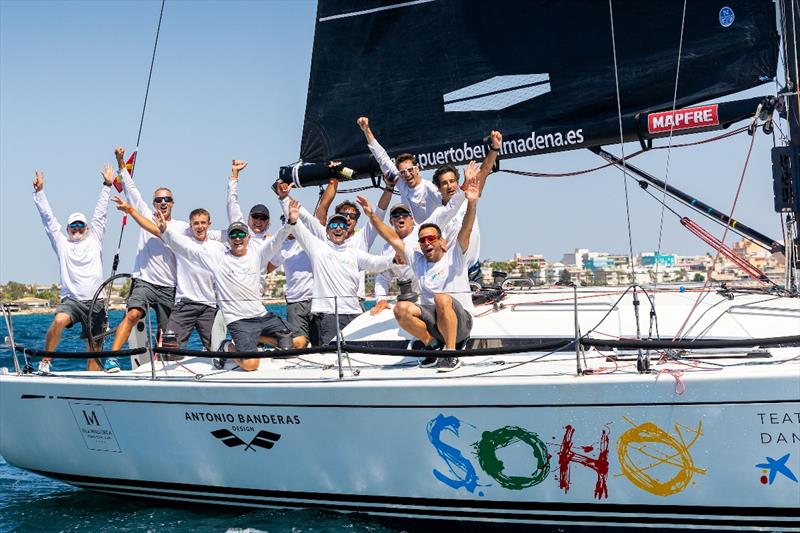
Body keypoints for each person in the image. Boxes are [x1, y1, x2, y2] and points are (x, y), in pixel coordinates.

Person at [357, 170, 482, 372]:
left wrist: (472, 202)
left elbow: (466, 228)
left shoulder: (455, 255)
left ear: (442, 242)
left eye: (431, 238)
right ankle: (432, 346)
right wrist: (372, 216)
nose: (426, 243)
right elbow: (392, 238)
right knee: (401, 308)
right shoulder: (417, 259)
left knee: (442, 298)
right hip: (435, 323)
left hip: (460, 323)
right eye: (422, 240)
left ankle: (451, 354)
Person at [160, 217, 306, 371]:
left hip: (262, 316)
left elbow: (276, 240)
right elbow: (186, 249)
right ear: (228, 240)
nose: (238, 238)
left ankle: (258, 337)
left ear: (248, 238)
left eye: (241, 235)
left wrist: (290, 223)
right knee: (251, 365)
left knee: (300, 341)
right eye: (233, 236)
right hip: (239, 320)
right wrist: (165, 231)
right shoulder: (218, 259)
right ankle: (226, 346)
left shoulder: (257, 255)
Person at [32, 166, 114, 373]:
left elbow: (100, 214)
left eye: (81, 226)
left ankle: (92, 387)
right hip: (72, 301)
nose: (77, 229)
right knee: (59, 319)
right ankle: (46, 361)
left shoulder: (95, 239)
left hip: (96, 302)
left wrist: (107, 186)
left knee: (94, 350)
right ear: (68, 229)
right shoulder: (62, 243)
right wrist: (39, 192)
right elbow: (48, 220)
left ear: (86, 228)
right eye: (73, 226)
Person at [110, 147, 188, 361]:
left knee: (168, 334)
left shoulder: (182, 227)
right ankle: (112, 357)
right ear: (154, 204)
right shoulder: (146, 215)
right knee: (133, 314)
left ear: (172, 203)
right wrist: (121, 162)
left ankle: (164, 361)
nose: (163, 203)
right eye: (158, 200)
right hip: (144, 281)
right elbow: (131, 189)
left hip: (169, 286)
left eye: (167, 199)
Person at [112, 198, 220, 351]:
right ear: (190, 226)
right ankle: (112, 355)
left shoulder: (217, 247)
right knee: (170, 349)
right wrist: (130, 209)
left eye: (203, 223)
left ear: (209, 224)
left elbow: (232, 239)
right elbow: (156, 229)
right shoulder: (181, 243)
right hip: (184, 303)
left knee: (215, 347)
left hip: (208, 305)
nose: (200, 226)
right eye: (196, 223)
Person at [285, 199, 394, 346]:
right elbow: (298, 229)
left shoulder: (355, 253)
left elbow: (375, 263)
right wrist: (289, 210)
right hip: (329, 316)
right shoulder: (318, 248)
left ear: (346, 230)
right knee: (332, 356)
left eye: (342, 225)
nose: (338, 228)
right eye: (334, 225)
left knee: (358, 353)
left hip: (354, 314)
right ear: (327, 230)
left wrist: (394, 260)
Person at [278, 179, 393, 301]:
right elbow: (306, 215)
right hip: (331, 303)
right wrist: (284, 197)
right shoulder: (326, 235)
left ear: (357, 221)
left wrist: (389, 187)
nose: (348, 219)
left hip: (355, 302)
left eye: (352, 217)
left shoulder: (363, 237)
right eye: (343, 216)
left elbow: (380, 212)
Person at [358, 116, 441, 222]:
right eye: (403, 172)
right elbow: (382, 158)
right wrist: (366, 129)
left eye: (410, 170)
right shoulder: (401, 182)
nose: (407, 174)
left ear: (417, 169)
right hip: (412, 236)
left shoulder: (429, 188)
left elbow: (450, 205)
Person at [227, 159, 271, 240]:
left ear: (268, 223)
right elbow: (231, 202)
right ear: (249, 218)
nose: (258, 221)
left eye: (263, 218)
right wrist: (235, 173)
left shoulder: (272, 241)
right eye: (255, 216)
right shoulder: (240, 232)